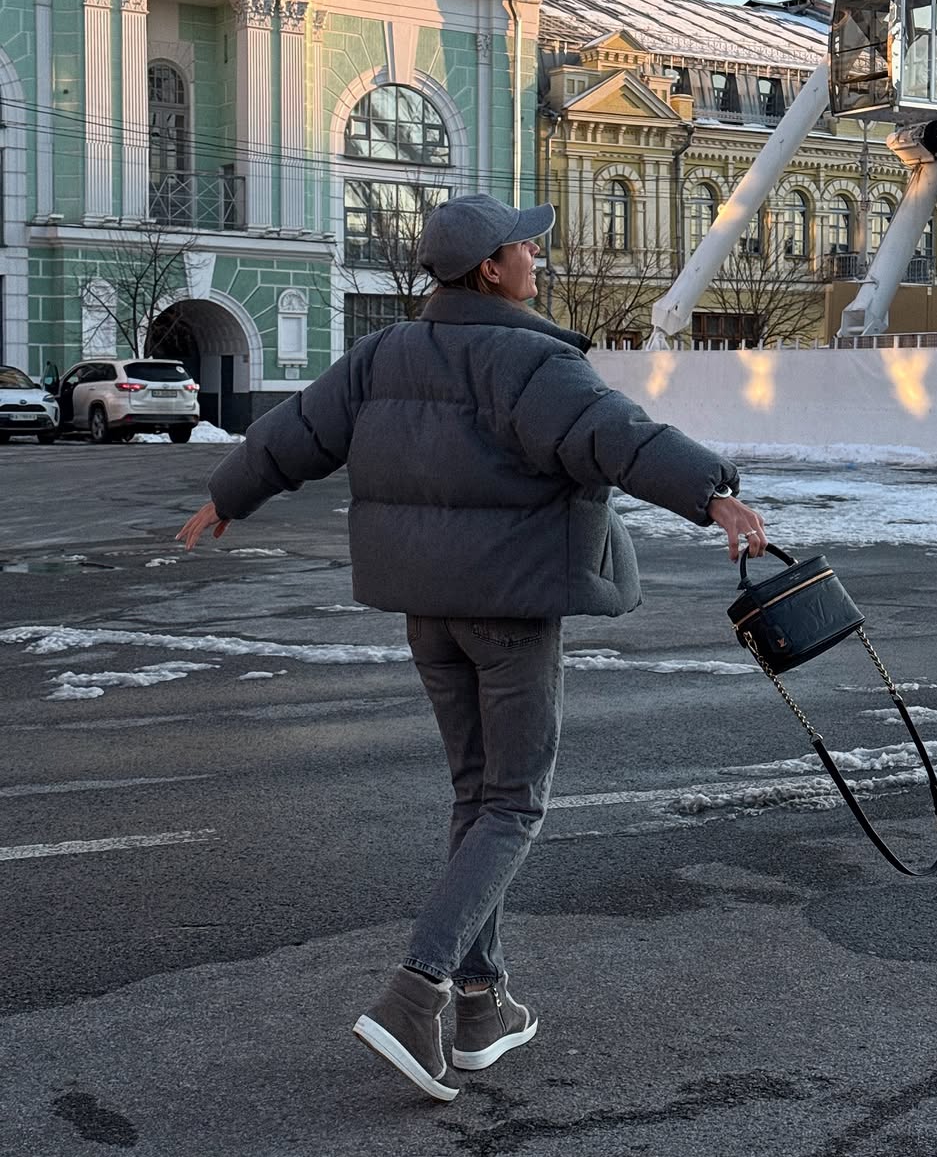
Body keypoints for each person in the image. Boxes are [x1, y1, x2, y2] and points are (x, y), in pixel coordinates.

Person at [176, 193, 768, 1104]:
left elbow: (297, 433)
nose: (537, 254)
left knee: (477, 795)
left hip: (429, 610)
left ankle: (484, 1005)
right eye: (524, 246)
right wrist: (716, 493)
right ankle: (419, 989)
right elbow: (619, 439)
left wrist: (230, 493)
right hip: (509, 608)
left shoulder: (382, 356)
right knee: (516, 804)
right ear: (491, 269)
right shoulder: (527, 359)